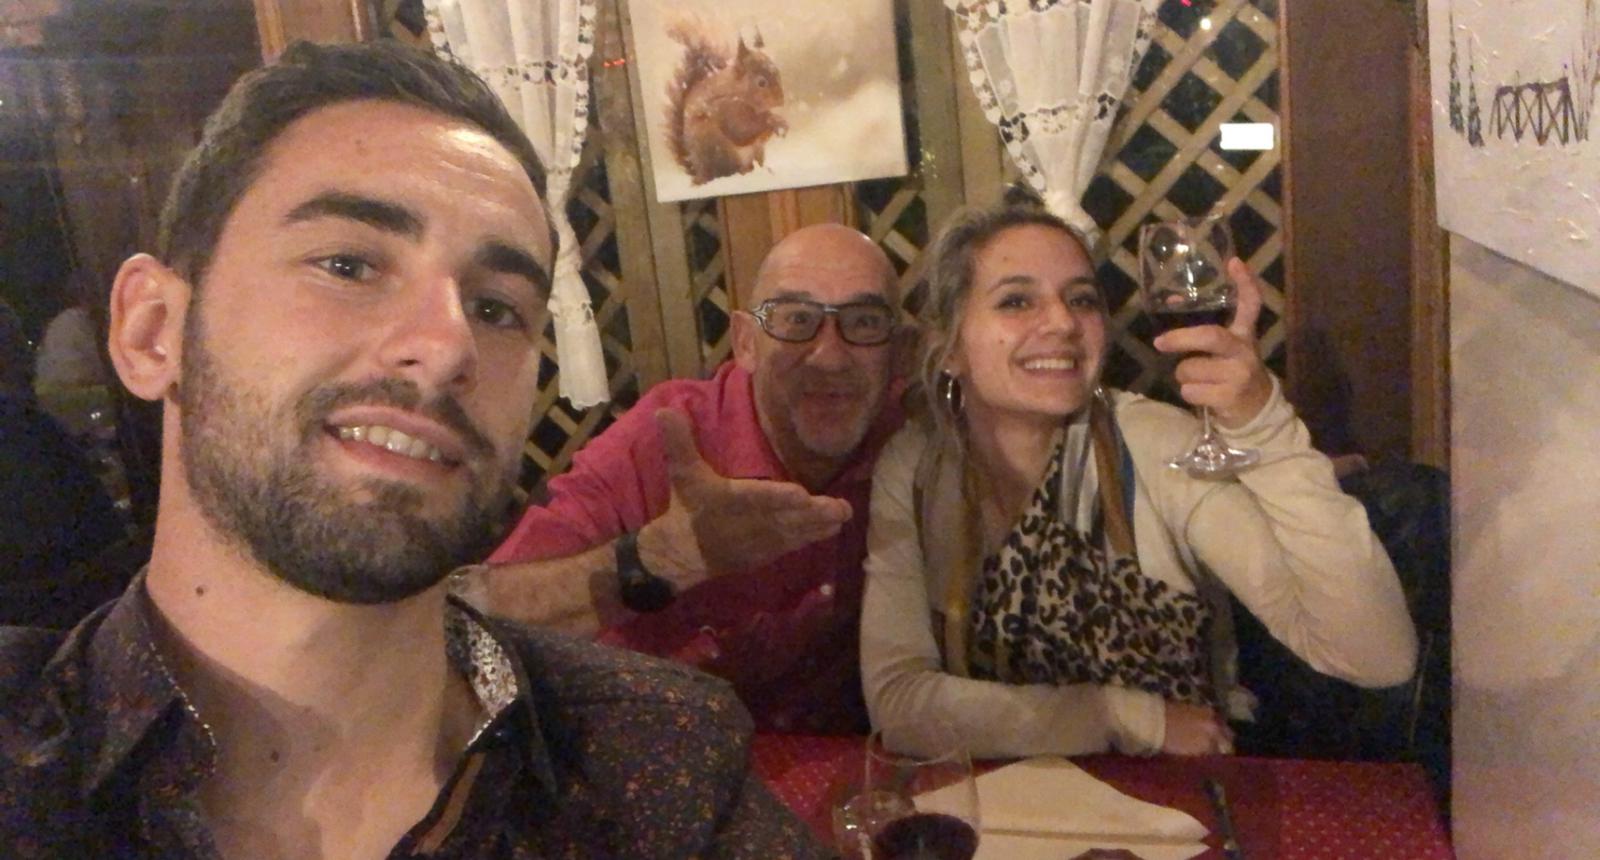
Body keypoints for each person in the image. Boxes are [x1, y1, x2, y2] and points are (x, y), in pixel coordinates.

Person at [0, 40, 824, 858]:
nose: (447, 345)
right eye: (349, 264)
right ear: (153, 331)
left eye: (497, 308)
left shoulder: (657, 760)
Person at [860, 202, 1418, 759]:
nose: (1062, 323)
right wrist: (1126, 717)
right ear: (949, 347)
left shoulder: (1154, 445)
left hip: (1176, 794)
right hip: (993, 798)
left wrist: (1263, 425)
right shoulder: (916, 468)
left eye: (1082, 299)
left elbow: (1375, 656)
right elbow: (900, 703)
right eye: (1016, 301)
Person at [460, 222, 904, 734]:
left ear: (897, 348)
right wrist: (655, 560)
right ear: (745, 342)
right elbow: (471, 623)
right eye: (796, 320)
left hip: (843, 758)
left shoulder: (912, 442)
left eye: (864, 322)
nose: (830, 355)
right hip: (654, 753)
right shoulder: (666, 439)